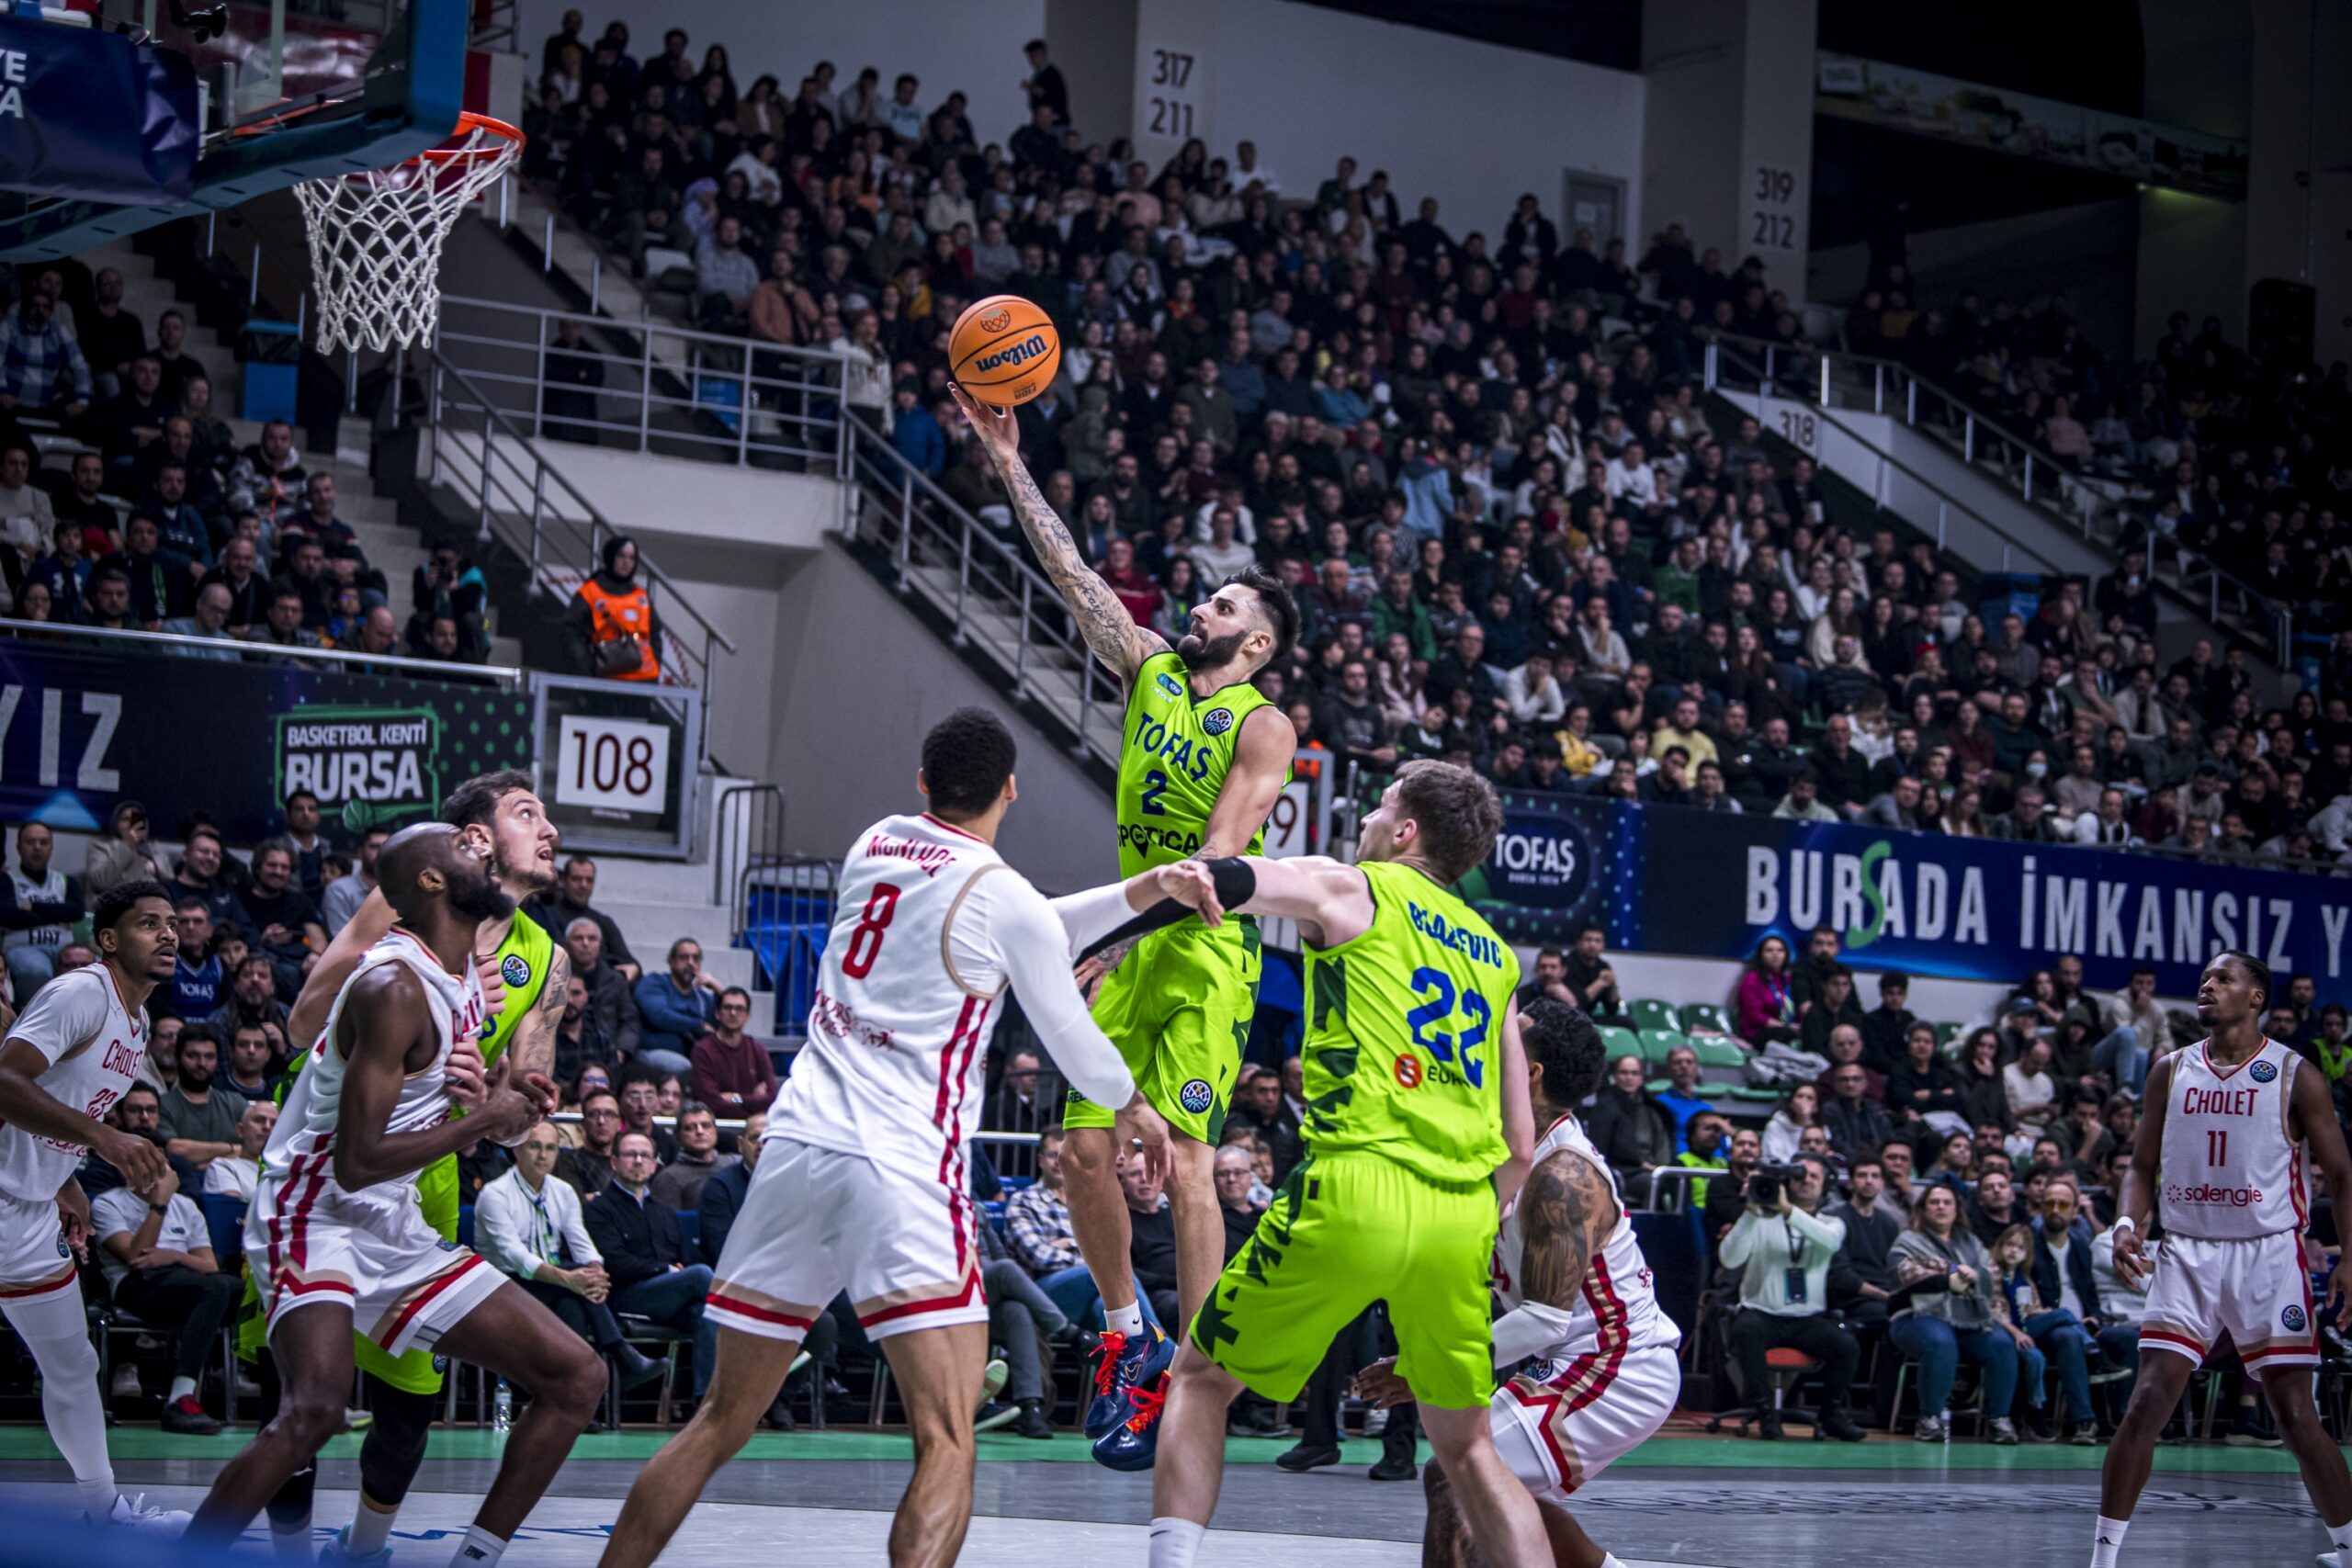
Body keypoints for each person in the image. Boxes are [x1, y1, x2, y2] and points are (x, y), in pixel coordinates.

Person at [593, 709, 1180, 1568]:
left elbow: (1025, 919)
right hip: (902, 1167)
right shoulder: (1005, 896)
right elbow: (1066, 1026)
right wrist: (1135, 1103)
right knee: (946, 1439)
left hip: (795, 1153)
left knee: (718, 1420)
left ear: (923, 781)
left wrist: (1146, 888)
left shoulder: (876, 844)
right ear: (1011, 789)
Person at [954, 386, 1297, 1432]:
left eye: (1223, 608)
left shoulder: (1264, 726)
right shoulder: (1150, 669)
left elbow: (1215, 865)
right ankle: (1123, 1332)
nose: (1201, 609)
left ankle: (1196, 1374)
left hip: (1203, 951)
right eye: (1206, 601)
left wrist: (1107, 935)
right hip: (1136, 934)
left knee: (1188, 1161)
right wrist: (1009, 461)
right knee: (1080, 1150)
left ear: (1256, 645)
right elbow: (1072, 573)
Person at [1137, 761, 1551, 1566]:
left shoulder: (1355, 886)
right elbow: (1522, 1143)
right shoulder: (1498, 956)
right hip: (1461, 1211)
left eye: (1381, 805)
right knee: (1468, 1448)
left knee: (1200, 1376)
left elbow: (1238, 875)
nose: (1366, 818)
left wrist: (1168, 889)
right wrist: (1472, 1217)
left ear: (1406, 830)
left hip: (1359, 1179)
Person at [181, 825, 602, 1557]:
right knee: (314, 1409)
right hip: (312, 1211)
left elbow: (440, 1110)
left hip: (392, 1217)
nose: (485, 855)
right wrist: (487, 1117)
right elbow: (356, 1160)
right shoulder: (393, 985)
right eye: (466, 850)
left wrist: (496, 1098)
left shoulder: (465, 976)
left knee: (577, 1375)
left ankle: (474, 1558)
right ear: (432, 882)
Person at [1391, 997, 1679, 1567]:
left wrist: (1428, 1364)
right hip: (1573, 1354)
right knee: (1496, 1488)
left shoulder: (1563, 1175)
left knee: (1456, 1474)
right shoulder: (1503, 1145)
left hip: (1618, 1364)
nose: (1488, 1048)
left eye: (1507, 1040)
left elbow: (1544, 1319)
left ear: (1532, 1073)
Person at [2094, 952, 2352, 1567]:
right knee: (2146, 1403)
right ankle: (2102, 1559)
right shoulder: (2170, 1069)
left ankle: (2349, 1549)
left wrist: (2351, 1260)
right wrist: (2127, 1224)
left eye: (2224, 979)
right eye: (2205, 978)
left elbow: (2343, 1174)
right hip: (2187, 1249)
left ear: (2256, 997)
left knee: (2296, 1416)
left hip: (2269, 1254)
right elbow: (2140, 1166)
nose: (2208, 985)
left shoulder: (2294, 1074)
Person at [0, 880, 189, 1533]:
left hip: (28, 1210)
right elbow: (5, 1080)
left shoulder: (136, 1024)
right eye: (148, 923)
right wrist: (104, 1138)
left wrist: (65, 1179)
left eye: (172, 923)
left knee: (74, 1364)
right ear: (108, 939)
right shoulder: (82, 992)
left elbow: (63, 1102)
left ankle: (104, 1513)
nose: (168, 934)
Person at [1718, 1153, 1868, 1441]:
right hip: (1762, 1313)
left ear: (1825, 1185)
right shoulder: (1760, 1220)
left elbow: (1829, 1242)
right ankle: (1764, 1412)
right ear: (1787, 1181)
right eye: (1800, 1174)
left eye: (1814, 1176)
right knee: (1746, 1330)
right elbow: (1729, 1259)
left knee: (1846, 1345)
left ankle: (1831, 1414)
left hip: (1808, 1319)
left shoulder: (1832, 1222)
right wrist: (1750, 1212)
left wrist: (1787, 1210)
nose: (1806, 1180)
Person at [92, 1155, 239, 1434]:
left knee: (247, 1292)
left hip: (187, 1279)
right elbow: (135, 1257)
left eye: (161, 1163)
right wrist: (159, 1203)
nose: (157, 1170)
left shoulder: (185, 1205)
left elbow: (209, 1265)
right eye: (146, 1162)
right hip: (136, 1285)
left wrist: (173, 1255)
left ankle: (276, 1389)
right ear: (128, 1170)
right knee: (215, 1288)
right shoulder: (108, 1203)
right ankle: (180, 1399)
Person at [1889, 1183, 2021, 1443]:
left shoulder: (1971, 1241)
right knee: (1940, 1341)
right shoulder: (1908, 1239)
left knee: (2002, 1345)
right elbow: (1902, 1272)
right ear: (1923, 1209)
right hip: (1915, 1315)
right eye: (1934, 1202)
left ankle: (1999, 1420)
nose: (1941, 1207)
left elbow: (1991, 1275)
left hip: (1969, 1318)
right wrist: (1950, 1276)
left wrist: (1968, 1275)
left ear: (1957, 1209)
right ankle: (1930, 1419)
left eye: (1947, 1202)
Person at [563, 535, 663, 681]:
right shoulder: (590, 592)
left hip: (644, 678)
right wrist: (584, 665)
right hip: (605, 677)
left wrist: (656, 663)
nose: (626, 562)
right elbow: (569, 630)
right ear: (610, 557)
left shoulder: (641, 596)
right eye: (621, 556)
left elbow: (655, 633)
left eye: (632, 558)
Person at [1583, 1052, 1673, 1202]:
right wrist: (1640, 1164)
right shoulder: (1605, 1108)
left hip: (1654, 1169)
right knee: (1651, 1183)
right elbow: (1600, 1150)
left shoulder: (1652, 1108)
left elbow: (1662, 1143)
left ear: (1641, 1078)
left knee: (1679, 1180)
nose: (1629, 1078)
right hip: (1622, 1172)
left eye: (1634, 1073)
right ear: (1615, 1076)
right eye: (1624, 1073)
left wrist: (1659, 1166)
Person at [1825, 1156, 1902, 1329]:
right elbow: (1840, 1276)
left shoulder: (1889, 1223)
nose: (1869, 1181)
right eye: (1862, 1175)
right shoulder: (1834, 1218)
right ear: (1850, 1182)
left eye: (1875, 1176)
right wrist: (1885, 1296)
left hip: (1883, 1295)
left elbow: (1894, 1268)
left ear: (1882, 1183)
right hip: (1849, 1300)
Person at [689, 987, 776, 1116]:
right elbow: (710, 1102)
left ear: (747, 1016)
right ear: (717, 1013)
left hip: (752, 1125)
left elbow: (771, 1097)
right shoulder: (703, 1050)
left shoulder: (757, 1050)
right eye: (728, 1007)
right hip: (716, 1124)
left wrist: (735, 1098)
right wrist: (752, 1102)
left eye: (739, 1009)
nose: (733, 1013)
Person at [634, 938, 718, 1067]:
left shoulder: (702, 998)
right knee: (682, 1066)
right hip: (653, 1051)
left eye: (696, 958)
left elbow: (726, 1023)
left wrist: (719, 990)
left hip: (692, 1055)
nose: (690, 963)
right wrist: (698, 1025)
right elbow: (660, 1015)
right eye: (684, 957)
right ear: (671, 961)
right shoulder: (655, 982)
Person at [650, 1100, 736, 1211]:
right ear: (678, 1136)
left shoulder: (732, 1165)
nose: (700, 1132)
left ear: (715, 1131)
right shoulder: (668, 1178)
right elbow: (667, 1219)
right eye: (690, 1128)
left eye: (706, 1126)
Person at [1759, 1082, 1820, 1163]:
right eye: (1800, 1096)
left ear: (1816, 1107)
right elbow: (1773, 1157)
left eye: (1810, 1098)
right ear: (1791, 1103)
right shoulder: (1775, 1126)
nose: (1803, 1101)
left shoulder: (1820, 1130)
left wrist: (1805, 1119)